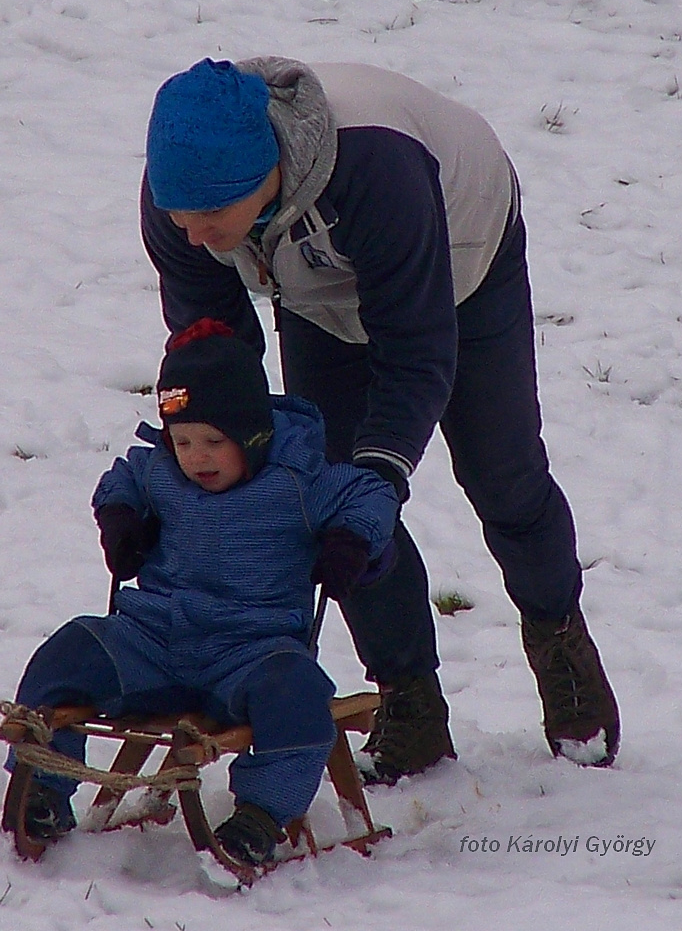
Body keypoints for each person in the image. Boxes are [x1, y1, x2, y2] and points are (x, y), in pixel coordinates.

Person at [139, 57, 621, 777]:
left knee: (501, 474)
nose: (196, 234)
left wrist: (383, 469)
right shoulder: (181, 204)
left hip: (460, 267)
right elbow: (214, 360)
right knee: (329, 494)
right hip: (318, 293)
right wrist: (225, 462)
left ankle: (557, 638)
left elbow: (416, 349)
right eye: (182, 217)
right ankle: (409, 697)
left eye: (210, 216)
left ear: (262, 175)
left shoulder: (377, 167)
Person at [7, 318, 399, 864]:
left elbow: (371, 494)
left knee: (299, 694)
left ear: (254, 435)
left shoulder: (298, 478)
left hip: (251, 652)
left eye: (215, 441)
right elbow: (123, 476)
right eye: (183, 440)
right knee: (67, 652)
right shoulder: (161, 470)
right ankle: (45, 789)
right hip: (153, 640)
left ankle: (261, 815)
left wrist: (352, 541)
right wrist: (120, 518)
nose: (197, 457)